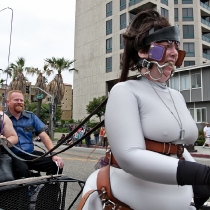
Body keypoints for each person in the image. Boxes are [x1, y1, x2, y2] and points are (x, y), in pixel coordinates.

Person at [79, 10, 210, 210]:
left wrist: (201, 182)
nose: (174, 52)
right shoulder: (124, 91)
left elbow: (178, 150)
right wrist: (200, 174)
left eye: (176, 46)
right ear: (143, 51)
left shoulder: (177, 96)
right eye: (166, 46)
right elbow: (130, 156)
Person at [5, 90, 64, 179]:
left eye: (21, 100)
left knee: (56, 165)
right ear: (8, 102)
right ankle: (22, 193)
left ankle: (47, 193)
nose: (19, 102)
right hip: (11, 155)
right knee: (22, 170)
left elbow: (44, 137)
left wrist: (54, 154)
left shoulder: (31, 117)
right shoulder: (2, 118)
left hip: (30, 153)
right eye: (16, 100)